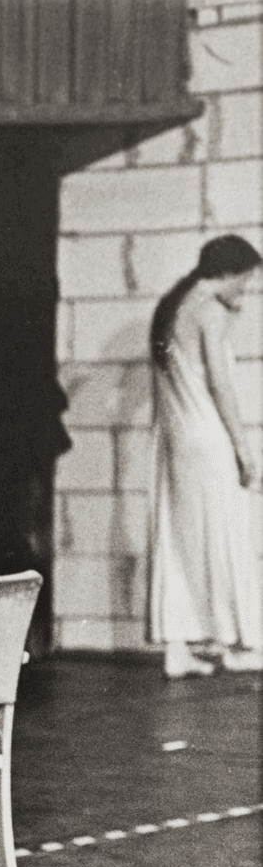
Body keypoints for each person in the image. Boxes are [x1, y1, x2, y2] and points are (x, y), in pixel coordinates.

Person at [149, 234, 262, 678]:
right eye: (247, 280)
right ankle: (235, 643)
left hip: (175, 444)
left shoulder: (173, 307)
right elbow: (221, 385)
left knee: (179, 542)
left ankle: (178, 650)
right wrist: (244, 448)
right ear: (229, 273)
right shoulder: (211, 311)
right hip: (208, 440)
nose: (246, 290)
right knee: (226, 537)